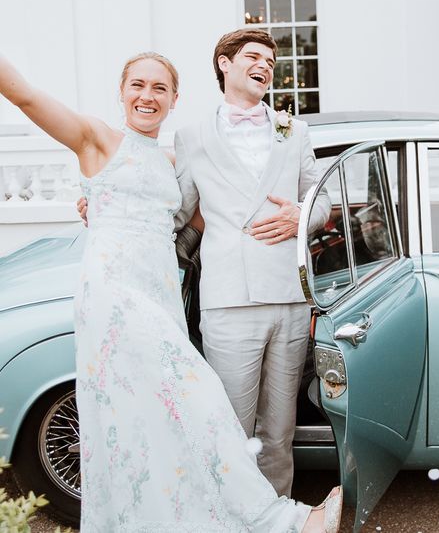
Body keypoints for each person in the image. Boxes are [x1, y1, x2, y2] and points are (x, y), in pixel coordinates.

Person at [0, 51, 341, 532]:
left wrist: (297, 217)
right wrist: (95, 201)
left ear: (175, 99)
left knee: (146, 420)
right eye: (137, 85)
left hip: (160, 293)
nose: (147, 95)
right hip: (116, 295)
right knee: (199, 400)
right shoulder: (96, 139)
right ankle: (277, 522)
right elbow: (26, 95)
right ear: (121, 91)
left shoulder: (175, 158)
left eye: (160, 88)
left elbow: (214, 216)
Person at [172, 29, 331, 498]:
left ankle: (276, 514)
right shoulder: (192, 136)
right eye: (253, 57)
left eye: (270, 60)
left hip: (287, 296)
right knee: (231, 427)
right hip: (228, 300)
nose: (265, 66)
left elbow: (321, 200)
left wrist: (301, 215)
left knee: (280, 431)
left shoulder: (294, 129)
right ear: (225, 64)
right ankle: (230, 516)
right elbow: (177, 210)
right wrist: (108, 208)